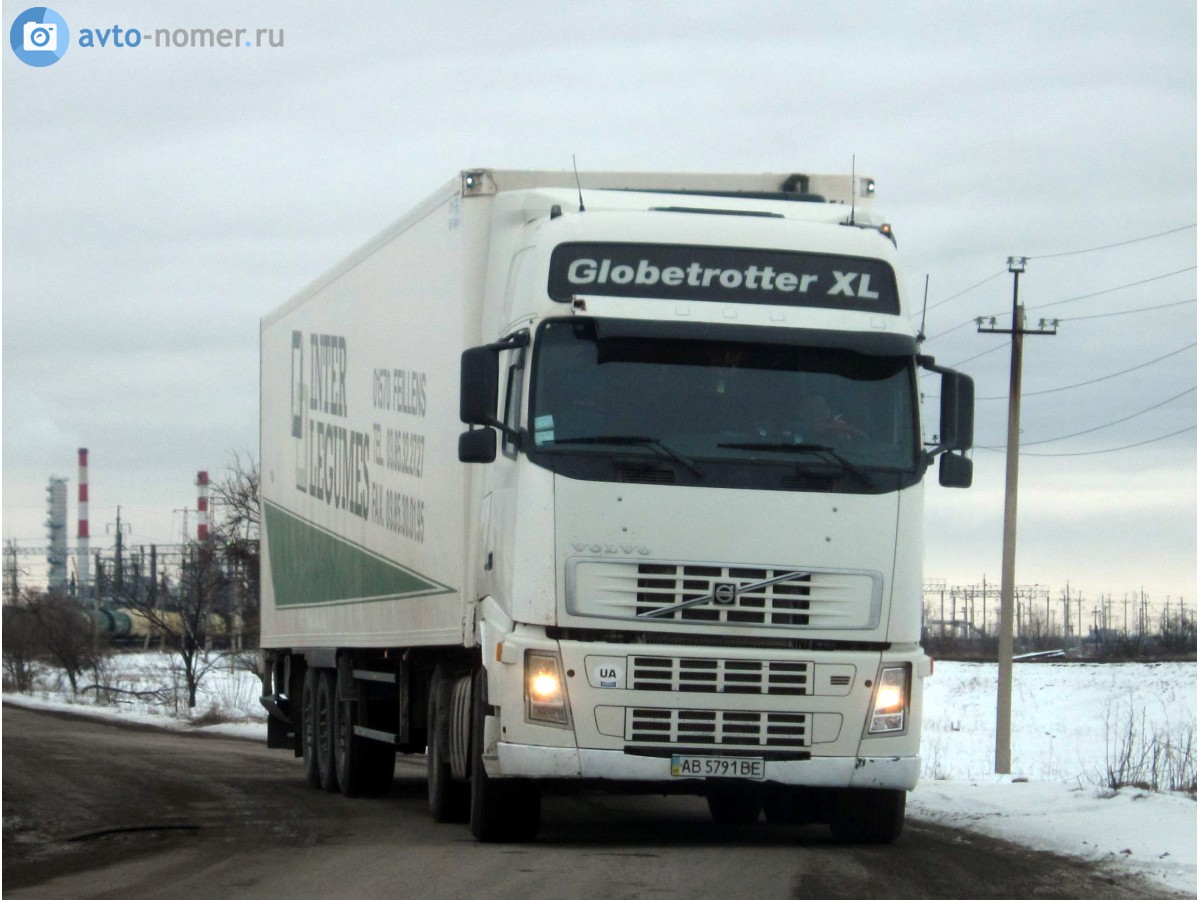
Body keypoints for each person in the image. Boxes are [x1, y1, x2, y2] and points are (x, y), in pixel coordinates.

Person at [796, 393, 864, 444]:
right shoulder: (791, 432)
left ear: (828, 411)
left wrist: (842, 432)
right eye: (809, 409)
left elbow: (861, 443)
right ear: (800, 412)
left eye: (819, 408)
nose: (814, 413)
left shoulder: (840, 428)